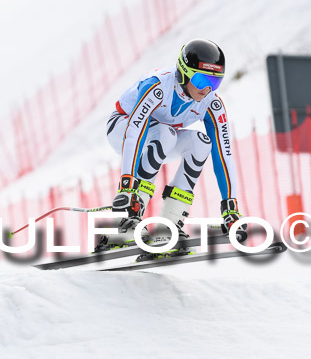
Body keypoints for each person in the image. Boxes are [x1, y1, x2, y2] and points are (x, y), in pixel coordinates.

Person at [97, 38, 244, 252]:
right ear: (184, 73)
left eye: (215, 82)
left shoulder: (212, 103)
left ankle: (170, 224)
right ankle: (126, 221)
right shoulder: (157, 86)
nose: (207, 89)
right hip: (123, 128)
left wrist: (230, 207)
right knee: (166, 134)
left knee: (201, 143)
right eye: (202, 81)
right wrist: (127, 186)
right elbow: (134, 134)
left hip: (161, 138)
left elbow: (224, 154)